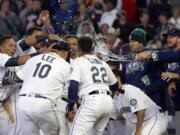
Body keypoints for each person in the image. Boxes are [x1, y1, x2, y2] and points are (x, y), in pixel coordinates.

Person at [13, 41, 71, 135]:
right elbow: (72, 89)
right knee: (57, 132)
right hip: (44, 104)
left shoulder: (33, 59)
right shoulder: (65, 65)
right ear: (65, 52)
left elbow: (16, 78)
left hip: (22, 103)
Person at [67, 36, 118, 135]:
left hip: (92, 101)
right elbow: (115, 86)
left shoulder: (78, 62)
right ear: (91, 48)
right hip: (108, 102)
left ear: (78, 48)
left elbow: (73, 86)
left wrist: (70, 107)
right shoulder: (102, 63)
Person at [0, 35, 42, 135]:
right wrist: (40, 53)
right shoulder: (2, 57)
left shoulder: (9, 65)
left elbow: (11, 79)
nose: (14, 48)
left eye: (14, 46)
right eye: (10, 45)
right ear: (1, 47)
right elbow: (16, 61)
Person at [120, 28, 168, 111]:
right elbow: (123, 79)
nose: (130, 44)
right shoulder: (128, 59)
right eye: (130, 41)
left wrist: (146, 90)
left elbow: (162, 79)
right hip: (133, 103)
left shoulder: (151, 55)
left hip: (151, 101)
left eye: (134, 41)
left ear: (141, 42)